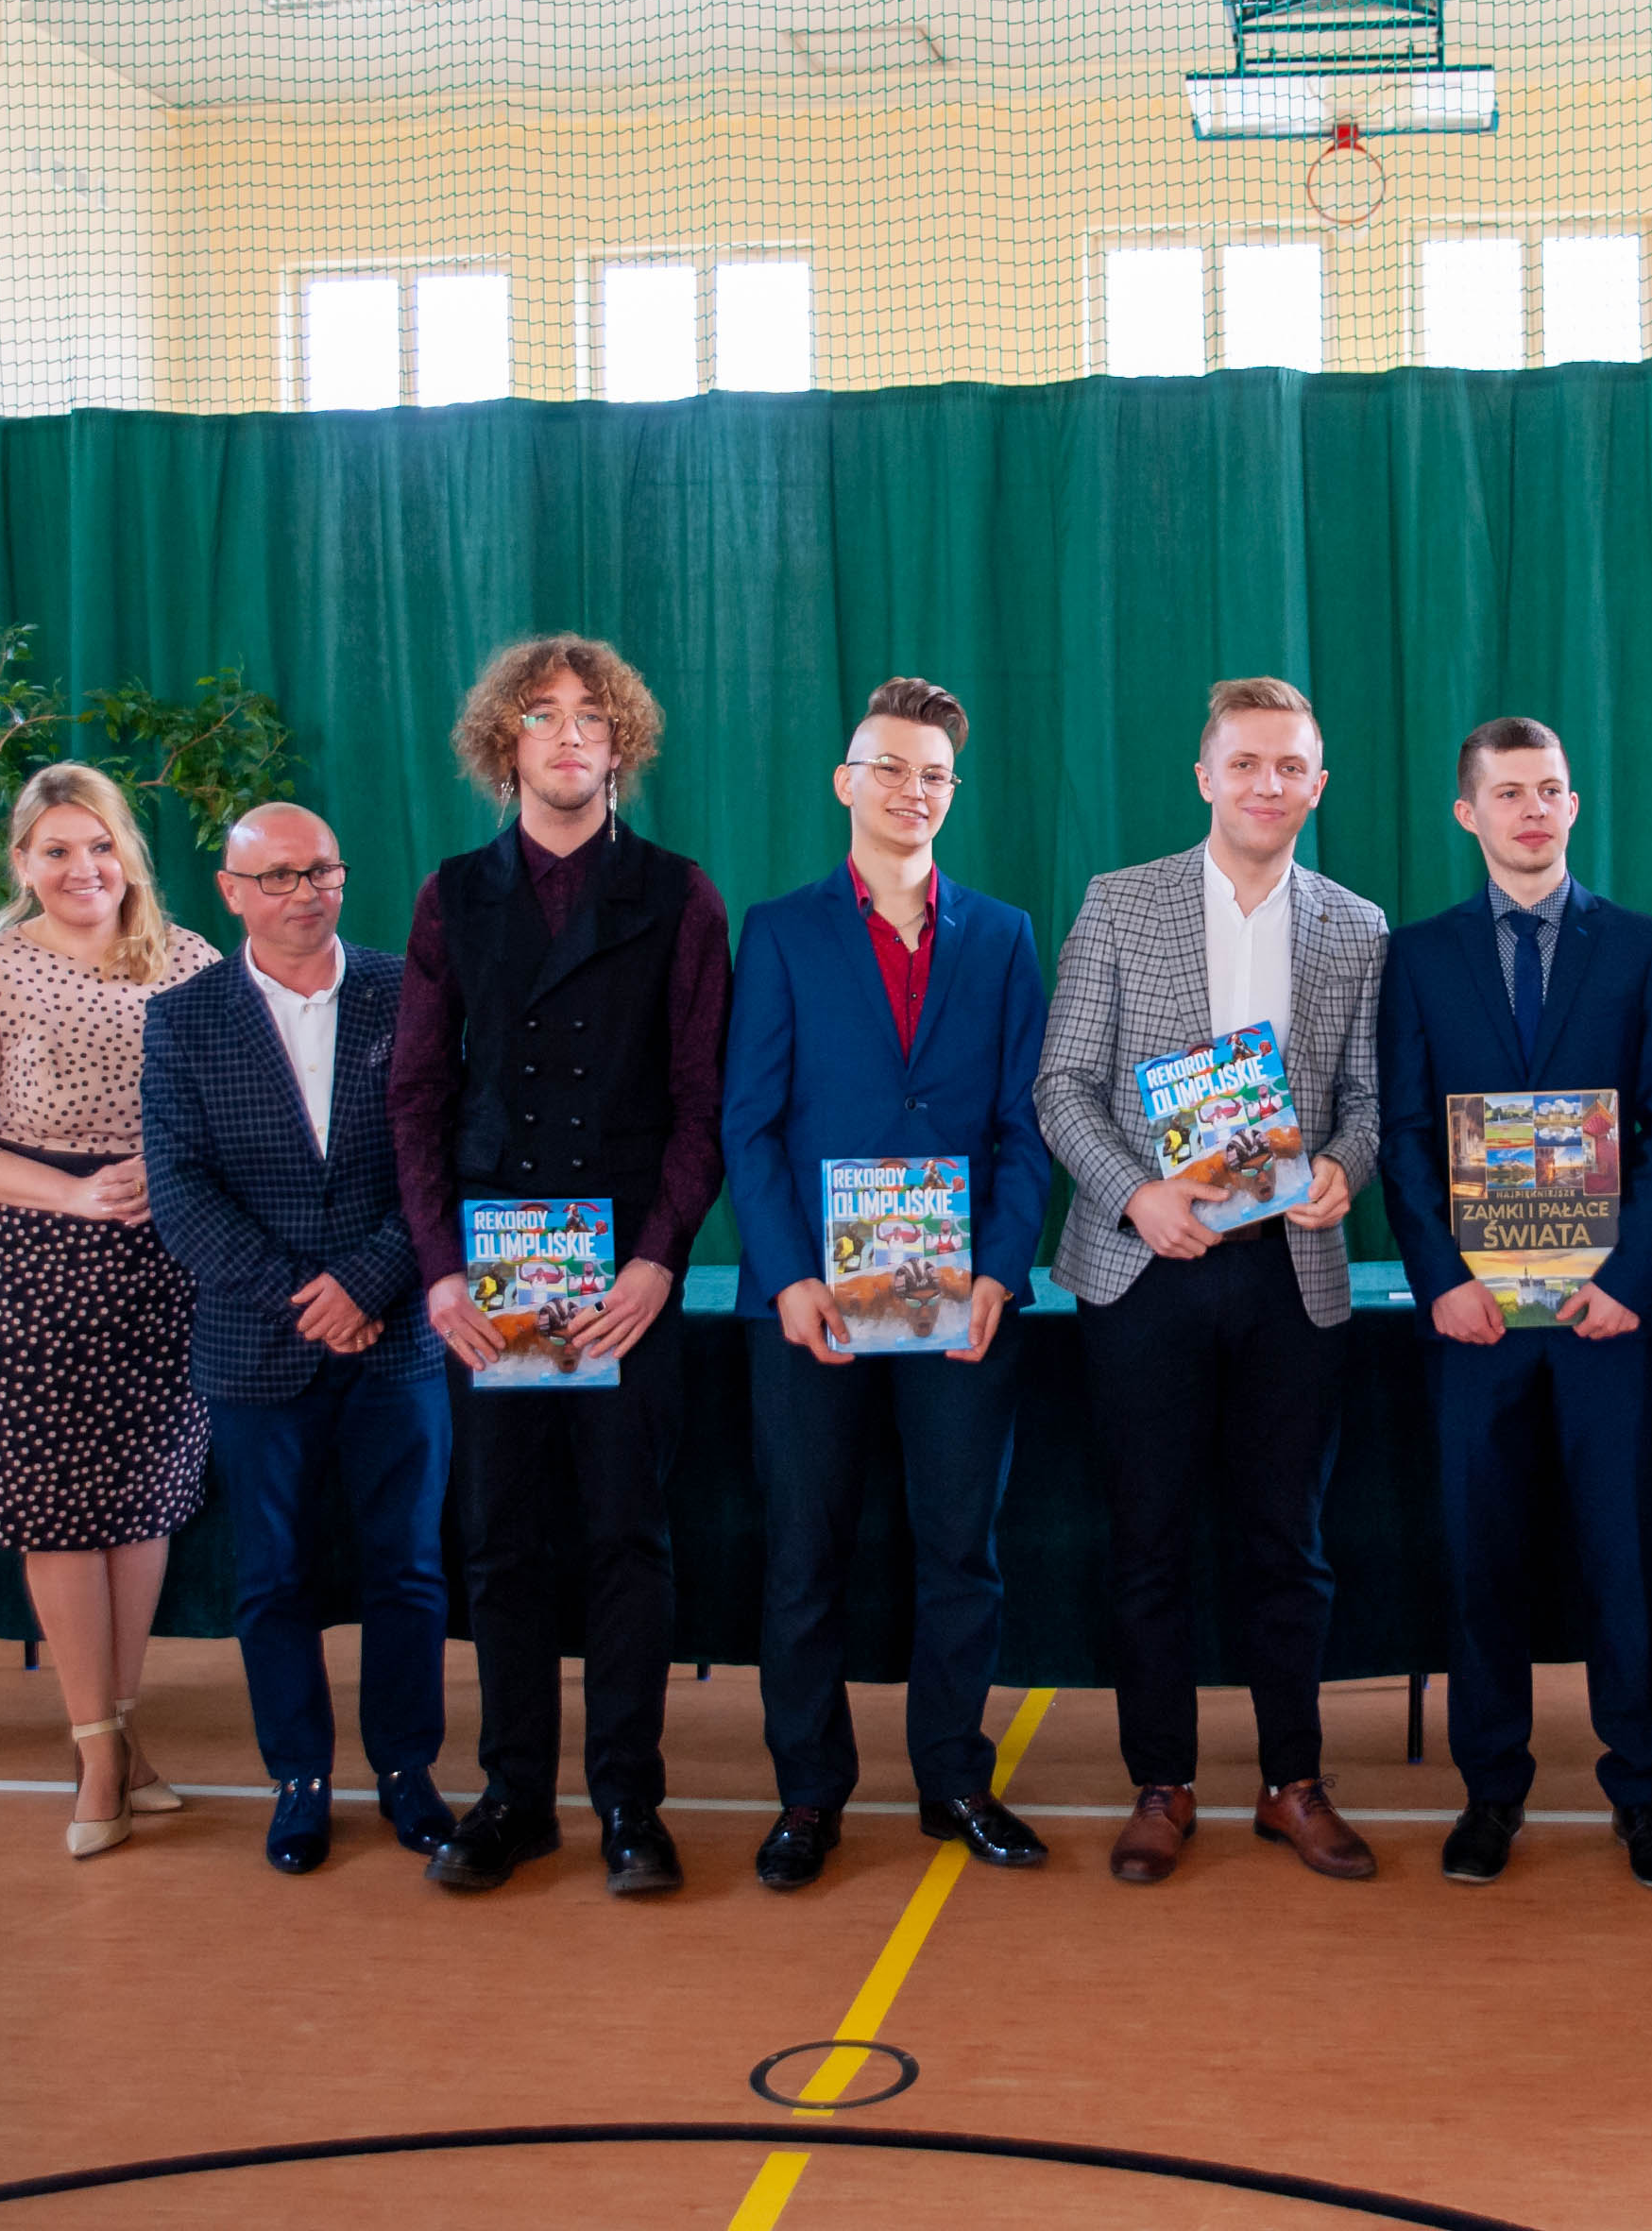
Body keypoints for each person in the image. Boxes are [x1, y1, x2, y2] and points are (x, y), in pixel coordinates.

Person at [390, 633, 731, 1898]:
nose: (570, 733)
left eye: (592, 715)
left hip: (623, 1274)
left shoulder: (680, 895)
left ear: (621, 743)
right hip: (493, 1274)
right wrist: (439, 1271)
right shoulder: (450, 898)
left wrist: (658, 1262)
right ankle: (515, 1798)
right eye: (543, 713)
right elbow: (416, 1098)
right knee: (500, 1543)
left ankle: (631, 1803)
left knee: (628, 1539)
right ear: (505, 742)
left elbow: (701, 1104)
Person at [1035, 675, 1386, 1885]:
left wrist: (1340, 1167)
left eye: (1289, 766)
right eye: (1244, 763)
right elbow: (1061, 1087)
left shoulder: (1356, 926)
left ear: (1317, 785)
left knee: (1288, 1541)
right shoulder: (1117, 904)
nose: (1265, 785)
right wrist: (1137, 1193)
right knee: (1146, 1541)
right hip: (1145, 1267)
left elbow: (1366, 1103)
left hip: (1292, 1272)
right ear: (1204, 777)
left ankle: (1293, 1782)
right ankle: (1162, 1783)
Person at [720, 676, 1056, 1891]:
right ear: (845, 782)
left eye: (933, 775)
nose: (912, 790)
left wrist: (1002, 1271)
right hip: (811, 1305)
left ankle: (953, 1779)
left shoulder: (1004, 934)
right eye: (890, 768)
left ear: (951, 793)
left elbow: (1024, 1124)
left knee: (960, 1551)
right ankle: (808, 1795)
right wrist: (787, 1277)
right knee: (804, 1555)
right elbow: (748, 1124)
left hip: (959, 1301)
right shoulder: (779, 931)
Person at [1380, 718, 1652, 1891]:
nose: (1531, 810)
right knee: (1482, 1559)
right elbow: (1403, 1136)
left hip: (1603, 1322)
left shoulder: (1640, 947)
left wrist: (1627, 1280)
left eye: (1549, 790)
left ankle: (1640, 1792)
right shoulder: (1418, 956)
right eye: (1508, 792)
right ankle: (1489, 1792)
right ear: (1466, 813)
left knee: (1624, 1558)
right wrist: (1441, 1282)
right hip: (1474, 1321)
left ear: (1573, 806)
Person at [0, 763, 222, 1858]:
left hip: (163, 1263)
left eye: (99, 845)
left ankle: (123, 1735)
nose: (82, 868)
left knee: (142, 1505)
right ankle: (94, 1750)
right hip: (31, 1265)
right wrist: (72, 1192)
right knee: (56, 1512)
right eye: (55, 850)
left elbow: (235, 1107)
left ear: (127, 852)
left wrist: (167, 1176)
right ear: (22, 863)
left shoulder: (190, 961)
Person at [141, 802, 456, 1876]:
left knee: (408, 1570)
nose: (302, 893)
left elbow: (446, 1157)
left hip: (399, 1338)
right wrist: (305, 1297)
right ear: (230, 894)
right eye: (274, 876)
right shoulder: (183, 1020)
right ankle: (301, 1782)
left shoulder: (410, 992)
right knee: (272, 1580)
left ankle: (408, 1770)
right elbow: (181, 1195)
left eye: (319, 870)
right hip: (256, 1347)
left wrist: (368, 1280)